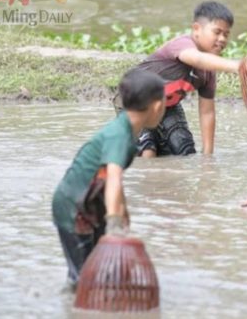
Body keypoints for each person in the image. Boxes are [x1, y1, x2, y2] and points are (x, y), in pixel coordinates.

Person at [52, 68, 166, 288]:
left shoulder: (126, 130)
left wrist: (123, 214)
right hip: (74, 208)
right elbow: (113, 178)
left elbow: (113, 179)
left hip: (90, 202)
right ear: (158, 105)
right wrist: (113, 223)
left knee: (97, 272)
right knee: (84, 279)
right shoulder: (119, 135)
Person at [134, 1, 240, 157]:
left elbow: (207, 113)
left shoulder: (208, 71)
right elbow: (196, 59)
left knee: (184, 150)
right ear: (196, 29)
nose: (222, 38)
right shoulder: (182, 44)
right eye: (217, 32)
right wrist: (238, 66)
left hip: (167, 106)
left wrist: (208, 156)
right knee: (148, 149)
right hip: (136, 100)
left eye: (226, 34)